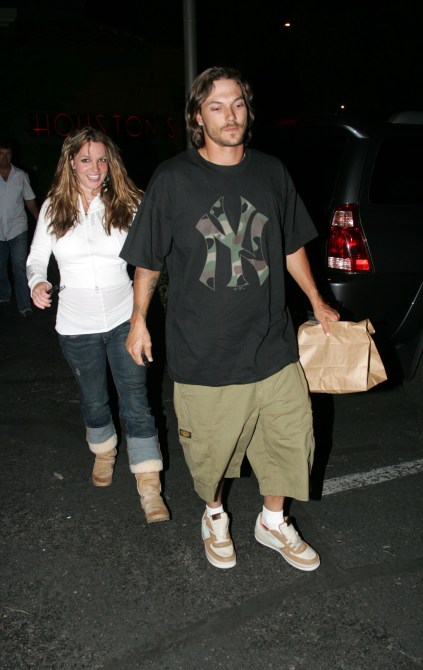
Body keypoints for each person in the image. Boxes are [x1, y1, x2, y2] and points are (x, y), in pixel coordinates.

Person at [120, 66, 340, 568]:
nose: (230, 115)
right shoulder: (173, 178)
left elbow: (290, 245)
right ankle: (214, 515)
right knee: (212, 454)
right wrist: (138, 320)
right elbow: (148, 260)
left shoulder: (271, 172)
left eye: (237, 104)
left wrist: (316, 299)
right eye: (216, 107)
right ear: (198, 117)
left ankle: (272, 521)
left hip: (272, 343)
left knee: (290, 438)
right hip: (205, 351)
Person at [26, 127, 169, 523]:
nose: (95, 167)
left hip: (126, 320)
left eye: (102, 159)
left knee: (136, 401)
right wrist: (37, 281)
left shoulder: (128, 202)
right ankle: (104, 451)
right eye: (86, 159)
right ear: (71, 162)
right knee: (93, 399)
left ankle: (149, 484)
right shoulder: (55, 206)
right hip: (75, 325)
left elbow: (153, 254)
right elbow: (36, 257)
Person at [0, 138, 39, 316]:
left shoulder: (21, 175)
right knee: (1, 267)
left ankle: (25, 305)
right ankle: (4, 295)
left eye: (7, 154)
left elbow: (29, 200)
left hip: (18, 228)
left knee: (20, 266)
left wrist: (40, 220)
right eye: (1, 154)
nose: (4, 157)